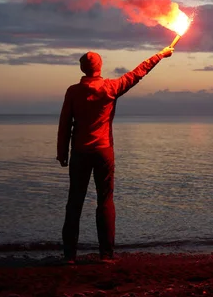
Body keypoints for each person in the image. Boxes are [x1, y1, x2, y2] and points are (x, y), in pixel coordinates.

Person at [57, 46, 174, 264]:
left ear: (82, 68)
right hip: (103, 152)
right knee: (105, 201)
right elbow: (139, 72)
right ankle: (106, 255)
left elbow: (65, 123)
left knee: (74, 203)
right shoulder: (111, 87)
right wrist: (160, 55)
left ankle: (69, 257)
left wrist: (62, 152)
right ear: (100, 67)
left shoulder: (73, 91)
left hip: (80, 153)